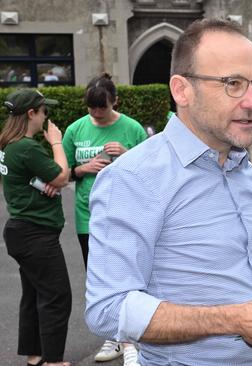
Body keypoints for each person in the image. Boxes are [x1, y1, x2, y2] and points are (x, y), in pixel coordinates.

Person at [84, 18, 252, 366]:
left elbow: (241, 270)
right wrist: (233, 319)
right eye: (233, 83)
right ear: (182, 90)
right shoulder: (132, 178)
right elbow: (108, 308)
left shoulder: (242, 168)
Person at [62, 73, 147, 365]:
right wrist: (83, 169)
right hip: (89, 216)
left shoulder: (132, 128)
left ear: (115, 102)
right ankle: (115, 335)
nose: (97, 114)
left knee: (132, 275)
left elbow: (152, 170)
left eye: (103, 108)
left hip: (127, 213)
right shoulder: (75, 129)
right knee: (101, 280)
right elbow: (64, 173)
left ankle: (134, 339)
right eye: (91, 108)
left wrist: (125, 154)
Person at [0, 89, 72, 366]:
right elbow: (63, 176)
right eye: (44, 111)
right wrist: (56, 143)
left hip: (21, 229)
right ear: (31, 113)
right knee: (56, 295)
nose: (46, 117)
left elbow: (26, 178)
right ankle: (53, 360)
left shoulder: (9, 143)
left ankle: (35, 354)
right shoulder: (27, 147)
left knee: (33, 295)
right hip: (35, 234)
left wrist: (44, 185)